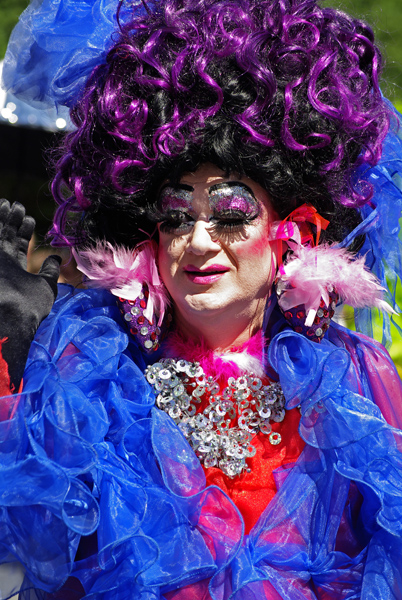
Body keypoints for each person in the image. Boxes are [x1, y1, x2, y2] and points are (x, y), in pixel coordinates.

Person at [1, 0, 402, 598]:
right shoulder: (96, 364)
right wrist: (12, 371)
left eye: (233, 212)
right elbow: (31, 532)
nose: (198, 240)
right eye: (174, 215)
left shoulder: (351, 373)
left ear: (291, 227)